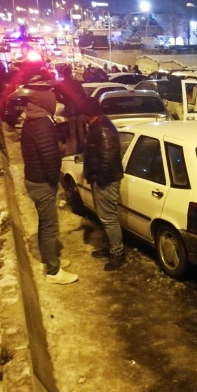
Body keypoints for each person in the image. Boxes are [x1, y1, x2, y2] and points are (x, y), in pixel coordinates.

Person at [21, 91, 78, 285]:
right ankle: (53, 271)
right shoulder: (42, 124)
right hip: (42, 182)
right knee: (49, 226)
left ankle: (50, 258)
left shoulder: (31, 120)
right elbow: (49, 158)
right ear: (47, 104)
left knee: (45, 223)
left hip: (34, 178)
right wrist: (54, 180)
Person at [82, 97, 126, 271]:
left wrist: (99, 178)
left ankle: (118, 253)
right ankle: (110, 248)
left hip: (105, 181)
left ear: (88, 113)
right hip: (102, 179)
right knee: (105, 217)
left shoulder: (102, 128)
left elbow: (107, 158)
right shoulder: (99, 125)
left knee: (109, 218)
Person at [54, 66, 88, 155]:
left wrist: (64, 101)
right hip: (78, 109)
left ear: (63, 74)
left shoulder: (61, 84)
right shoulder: (76, 83)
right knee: (80, 130)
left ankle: (75, 150)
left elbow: (56, 95)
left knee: (72, 132)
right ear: (70, 73)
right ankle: (83, 149)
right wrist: (79, 101)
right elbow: (84, 94)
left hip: (69, 109)